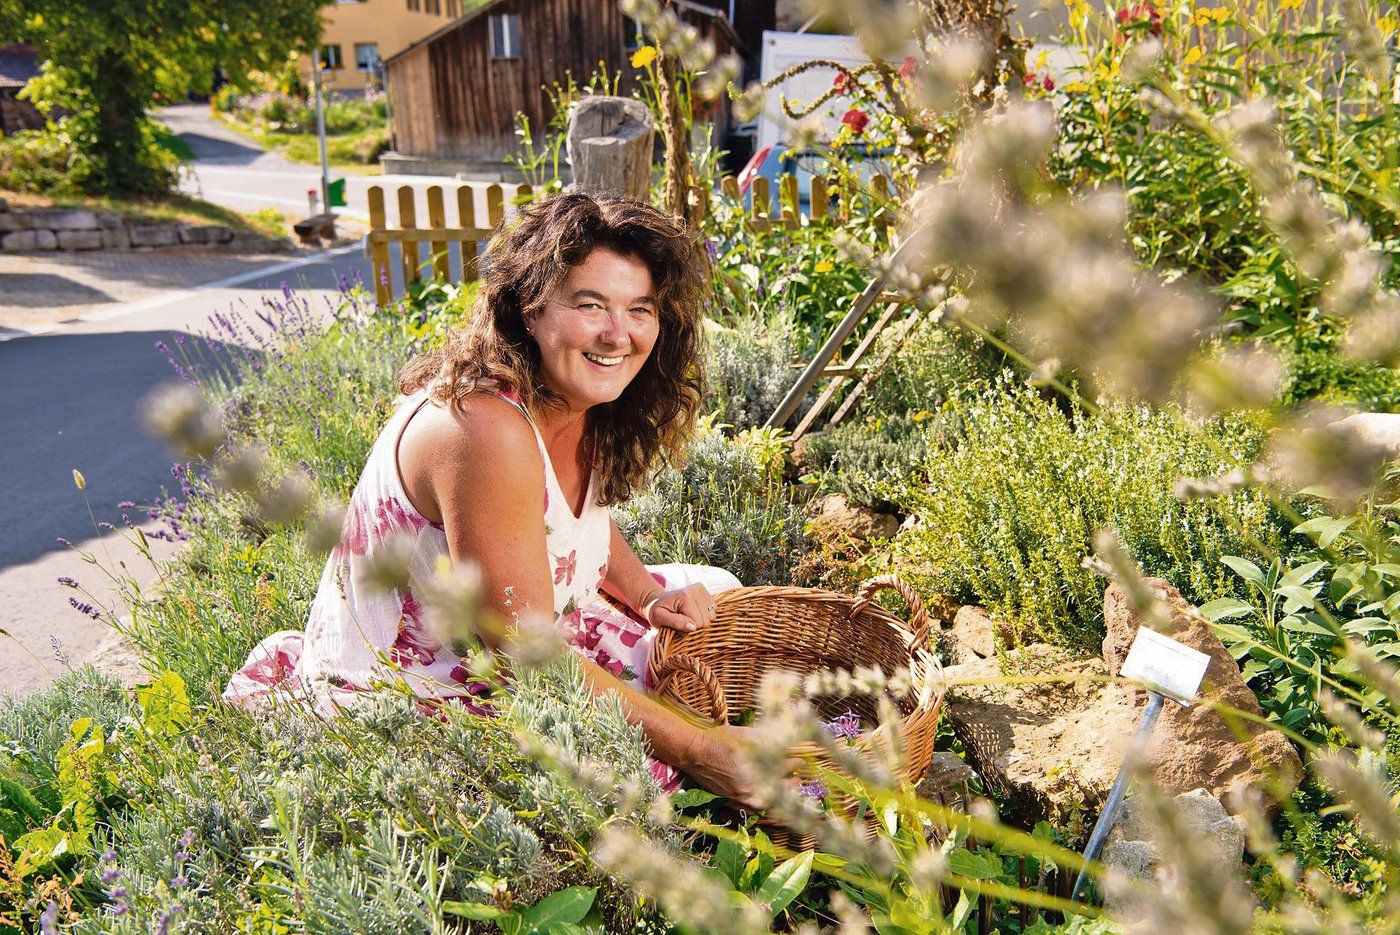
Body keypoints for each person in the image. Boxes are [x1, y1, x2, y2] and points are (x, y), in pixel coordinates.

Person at [225, 192, 757, 804]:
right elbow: (519, 652)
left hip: (516, 625)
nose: (619, 334)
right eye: (590, 304)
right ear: (530, 310)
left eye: (640, 309)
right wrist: (699, 751)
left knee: (714, 592)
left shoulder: (576, 396)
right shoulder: (484, 429)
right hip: (423, 684)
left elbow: (576, 521)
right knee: (638, 778)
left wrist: (647, 594)